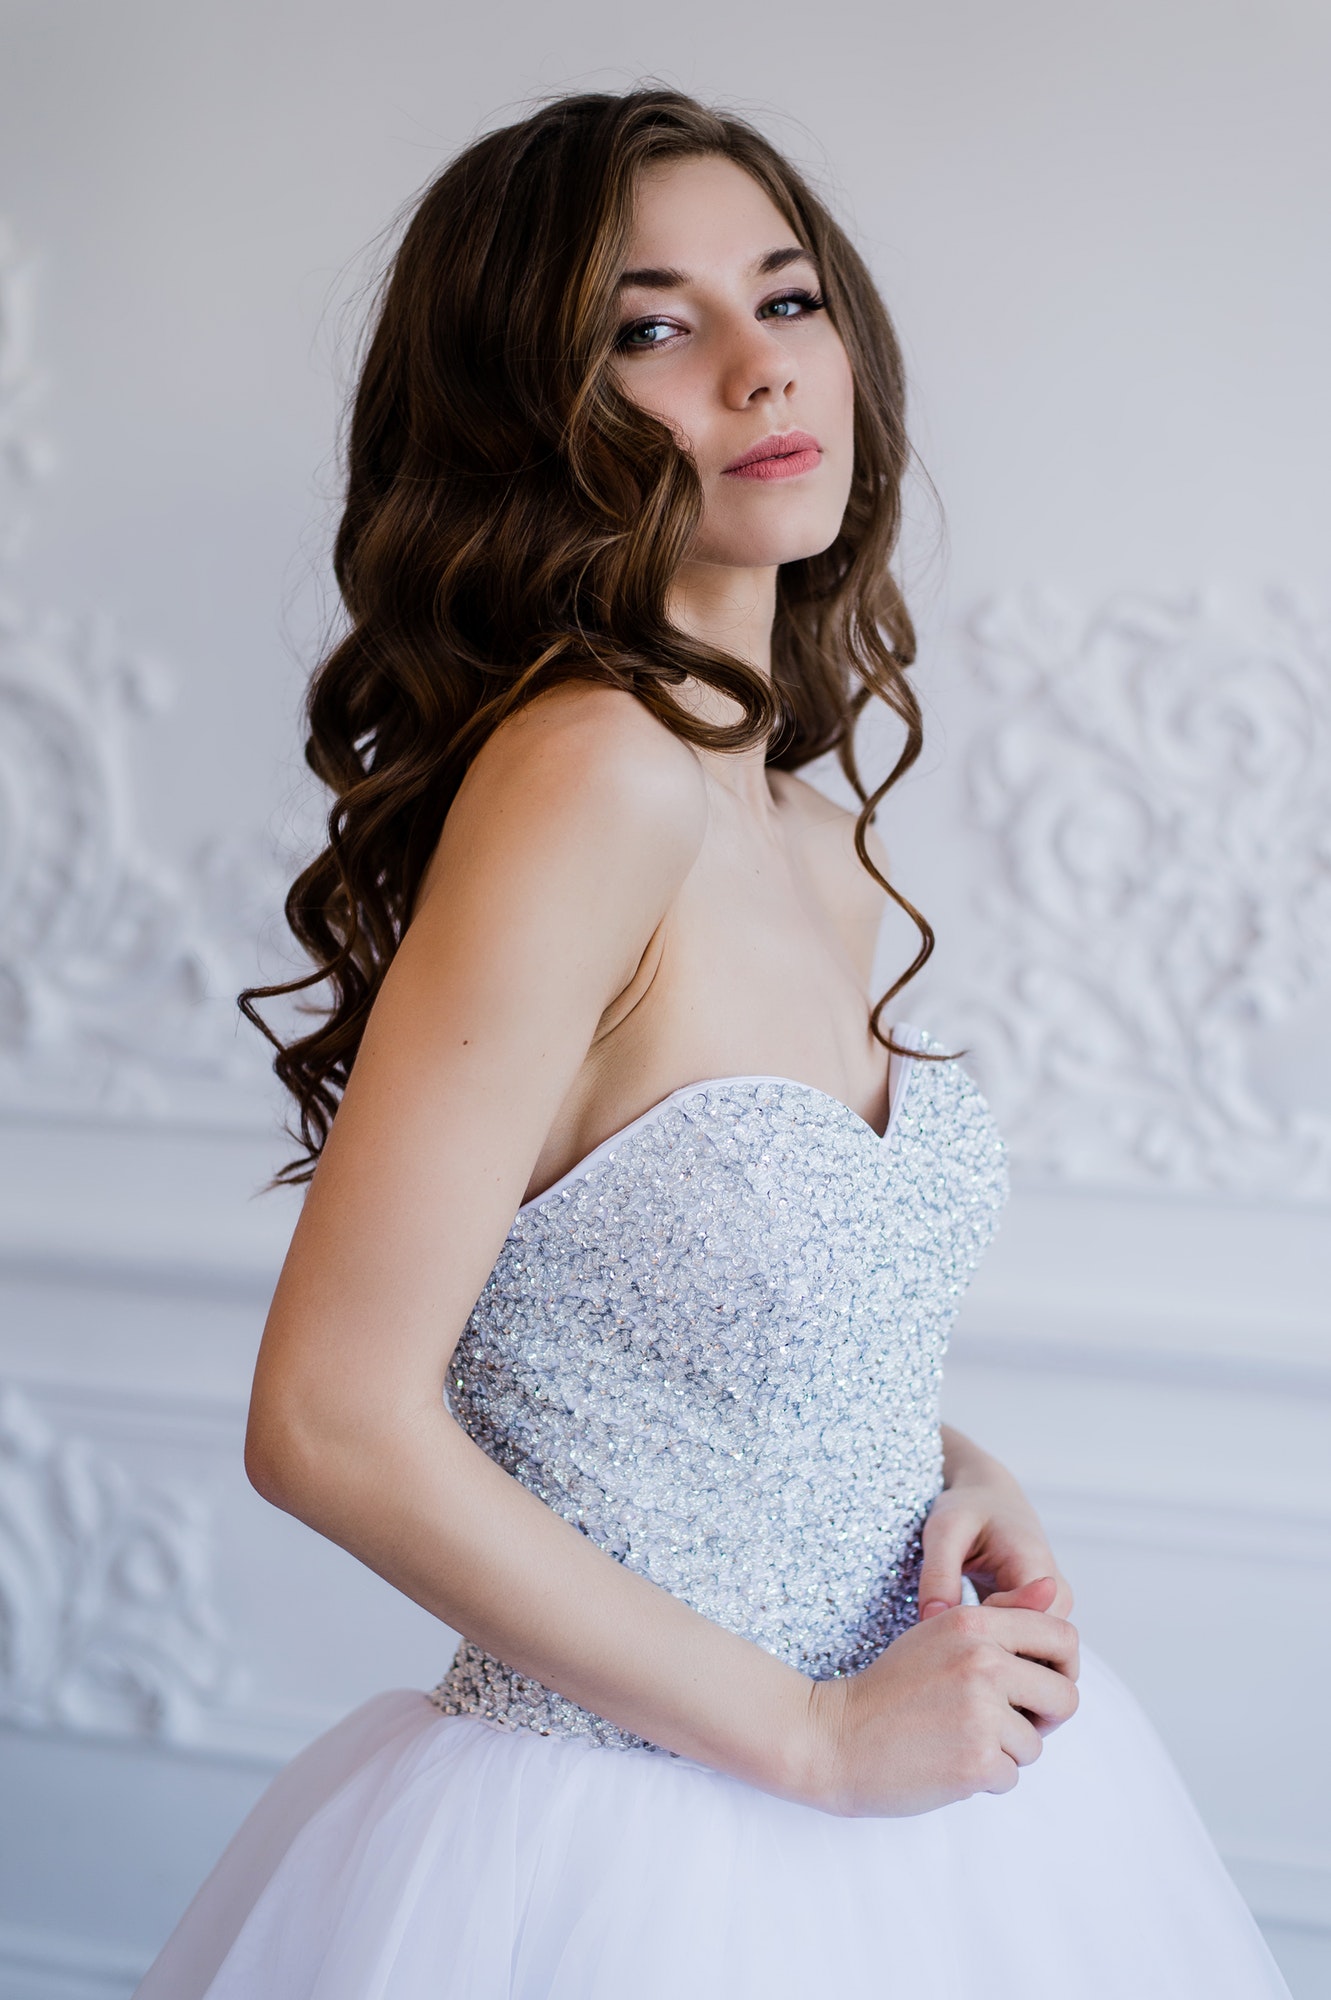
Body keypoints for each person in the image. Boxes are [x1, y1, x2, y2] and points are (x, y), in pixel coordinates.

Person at [135, 89, 1289, 2000]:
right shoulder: (587, 779)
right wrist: (818, 1742)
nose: (764, 367)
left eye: (790, 294)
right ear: (531, 414)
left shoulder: (812, 838)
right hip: (636, 1852)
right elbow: (329, 1422)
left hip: (929, 1813)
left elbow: (664, 1337)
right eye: (653, 326)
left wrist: (942, 1465)